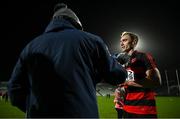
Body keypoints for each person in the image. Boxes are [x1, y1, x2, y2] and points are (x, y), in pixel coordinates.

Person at [7, 3, 127, 118]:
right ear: (76, 23)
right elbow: (116, 75)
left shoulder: (31, 46)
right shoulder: (92, 40)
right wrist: (119, 62)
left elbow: (14, 89)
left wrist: (34, 110)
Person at [115, 31, 162, 118]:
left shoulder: (143, 56)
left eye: (124, 40)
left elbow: (156, 81)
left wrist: (128, 83)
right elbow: (130, 81)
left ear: (134, 42)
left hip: (143, 110)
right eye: (120, 41)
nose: (121, 43)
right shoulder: (125, 61)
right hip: (127, 109)